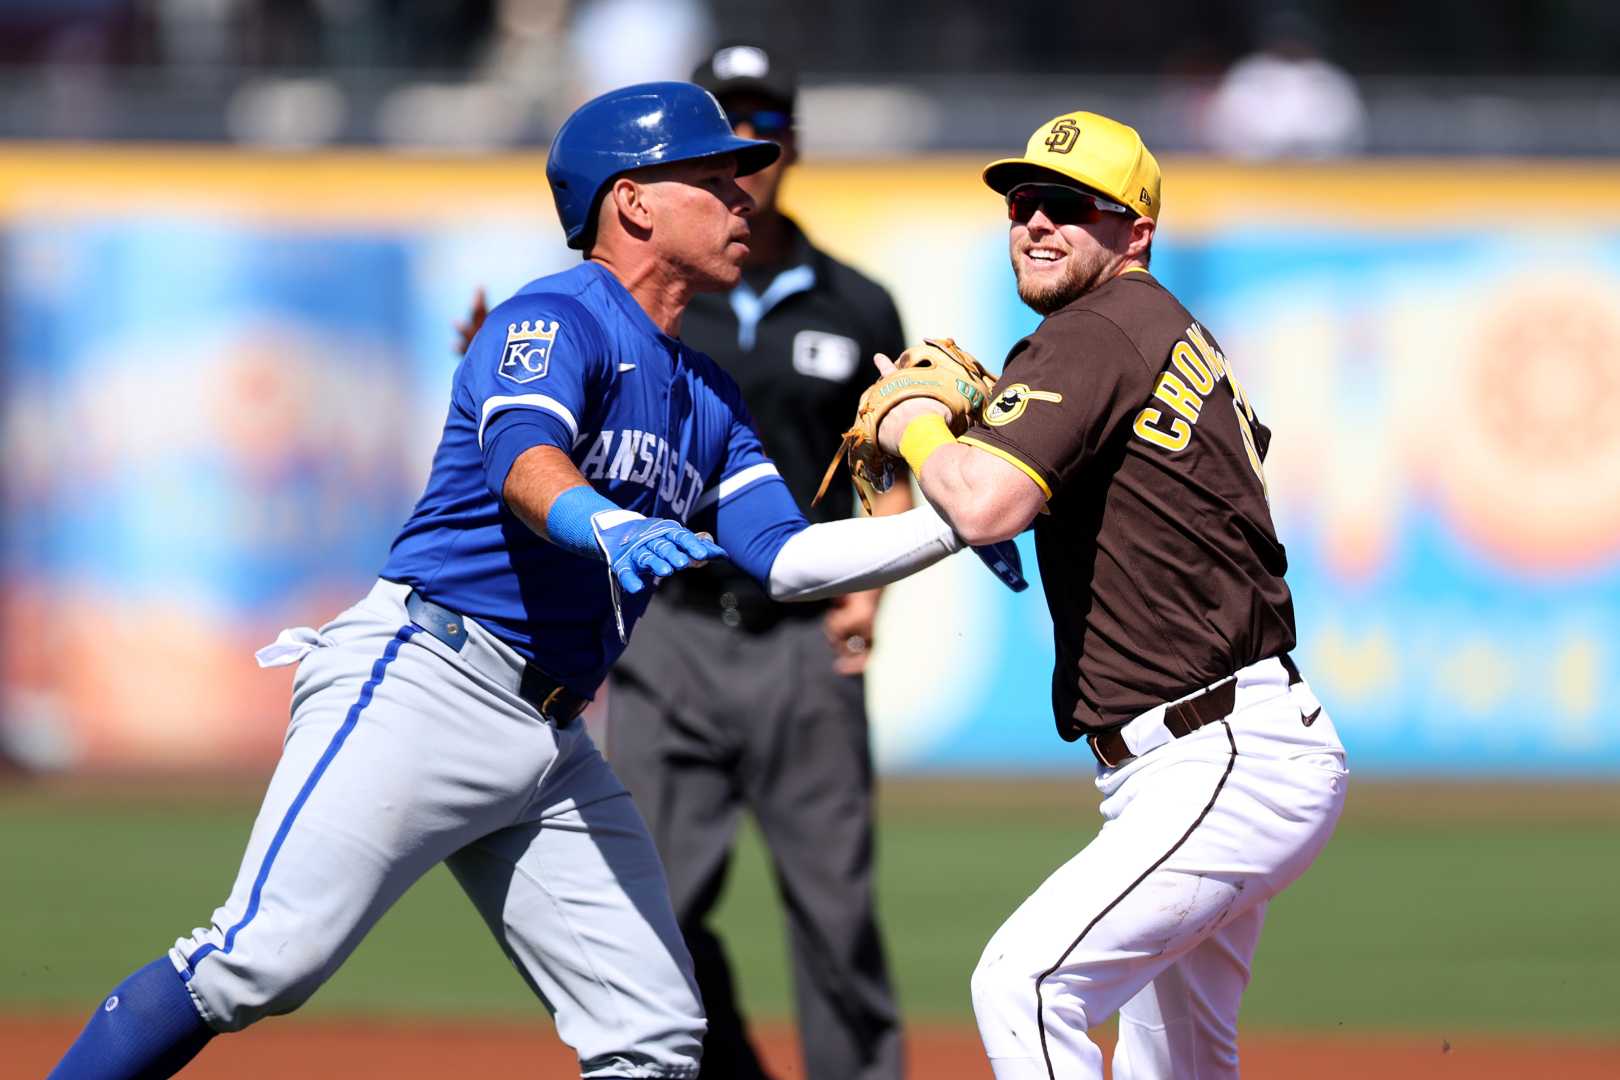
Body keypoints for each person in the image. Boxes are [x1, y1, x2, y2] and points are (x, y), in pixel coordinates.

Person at [46, 81, 987, 1080]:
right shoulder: (553, 318)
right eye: (712, 178)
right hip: (425, 681)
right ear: (632, 202)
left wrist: (960, 518)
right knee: (256, 963)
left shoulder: (707, 394)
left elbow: (791, 557)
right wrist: (607, 525)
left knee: (654, 1033)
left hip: (550, 742)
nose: (744, 197)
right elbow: (523, 454)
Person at [870, 111, 1349, 1078]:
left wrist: (919, 426)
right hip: (1223, 745)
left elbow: (990, 504)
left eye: (1072, 208)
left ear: (1134, 232)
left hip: (1219, 755)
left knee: (1026, 983)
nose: (1037, 224)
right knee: (1177, 1063)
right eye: (1023, 203)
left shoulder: (1093, 333)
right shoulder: (1161, 330)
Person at [608, 43, 908, 1080]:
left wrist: (866, 597)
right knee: (646, 909)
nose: (745, 149)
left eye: (761, 127)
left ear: (792, 144)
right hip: (671, 632)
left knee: (837, 915)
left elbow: (886, 469)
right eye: (720, 129)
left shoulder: (855, 303)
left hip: (802, 645)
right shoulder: (643, 299)